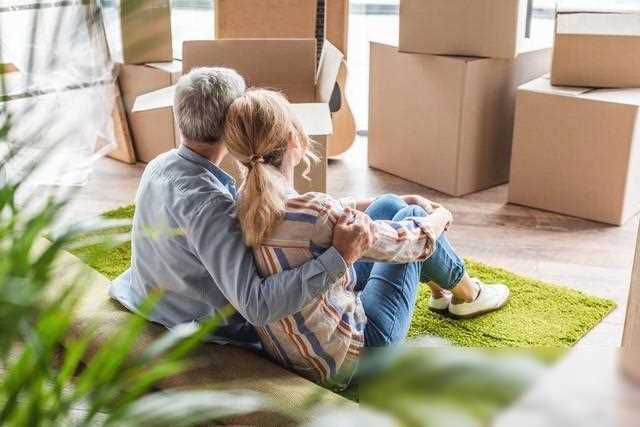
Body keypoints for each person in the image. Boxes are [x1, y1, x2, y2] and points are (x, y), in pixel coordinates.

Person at [223, 89, 510, 386]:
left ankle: (441, 294)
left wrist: (388, 200)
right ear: (292, 139)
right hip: (357, 357)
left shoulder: (240, 203)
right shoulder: (316, 213)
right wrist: (441, 216)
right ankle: (469, 295)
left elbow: (321, 216)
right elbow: (405, 242)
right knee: (412, 216)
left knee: (388, 205)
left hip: (296, 351)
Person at [109, 68, 374, 347]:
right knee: (367, 247)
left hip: (153, 299)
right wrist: (339, 257)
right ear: (233, 124)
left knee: (377, 218)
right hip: (197, 325)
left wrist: (351, 208)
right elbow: (256, 306)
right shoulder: (210, 205)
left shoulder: (159, 165)